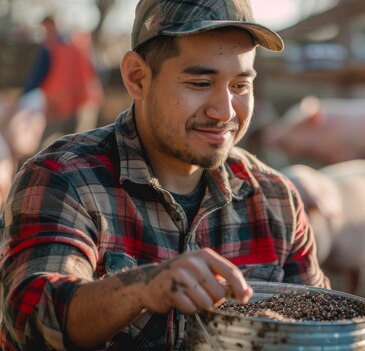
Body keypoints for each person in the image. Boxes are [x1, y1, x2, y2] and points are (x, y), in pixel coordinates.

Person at [0, 0, 329, 349]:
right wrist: (140, 288)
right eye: (201, 83)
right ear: (137, 78)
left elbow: (321, 328)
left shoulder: (275, 198)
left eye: (240, 86)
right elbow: (30, 322)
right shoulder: (63, 178)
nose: (224, 112)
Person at [20, 16, 102, 150]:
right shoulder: (80, 44)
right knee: (80, 151)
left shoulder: (50, 48)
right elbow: (97, 71)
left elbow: (36, 78)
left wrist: (21, 100)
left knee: (45, 151)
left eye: (44, 29)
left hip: (58, 107)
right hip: (86, 106)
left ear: (50, 26)